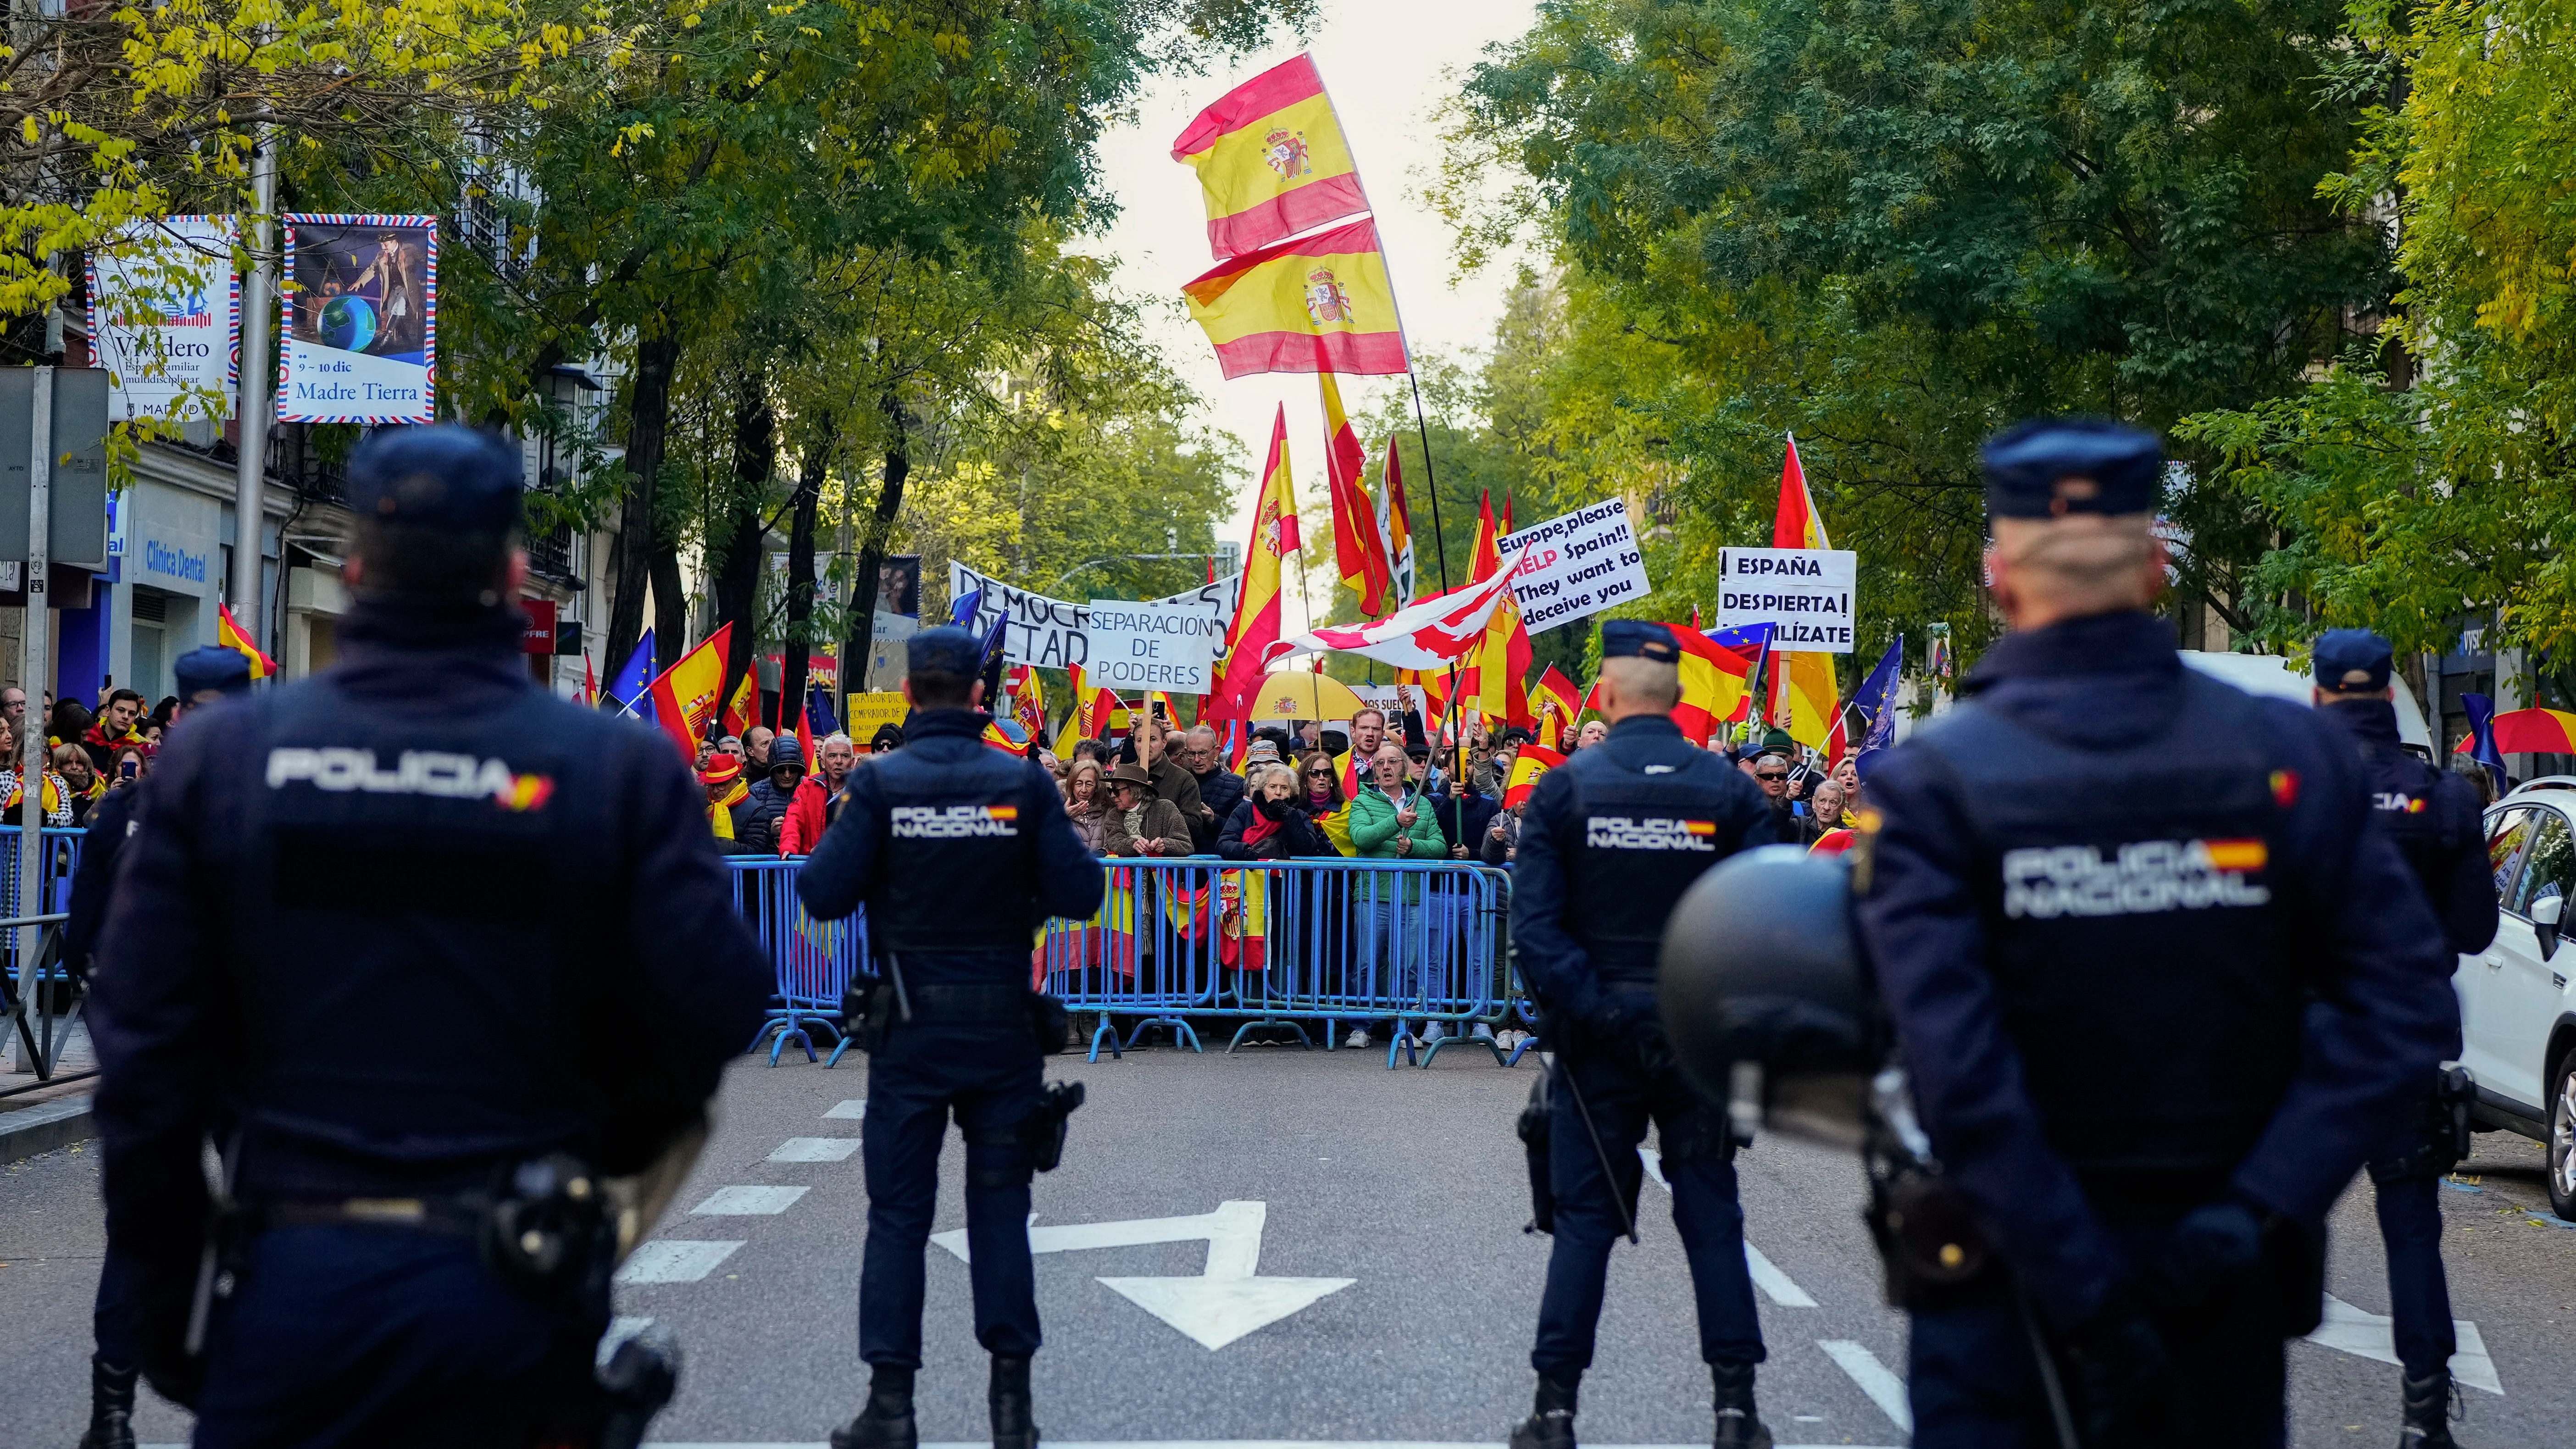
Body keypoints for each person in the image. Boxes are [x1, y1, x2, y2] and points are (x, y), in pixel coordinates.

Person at [89, 424, 772, 1447]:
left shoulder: (226, 759)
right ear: (509, 570)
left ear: (357, 566)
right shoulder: (611, 769)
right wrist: (591, 1151)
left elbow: (144, 1064)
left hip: (290, 1286)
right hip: (509, 1291)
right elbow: (710, 1010)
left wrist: (165, 1303)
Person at [1853, 420, 2456, 1448]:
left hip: (2009, 1307)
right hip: (2218, 1299)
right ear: (2156, 567)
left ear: (2001, 576)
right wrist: (2252, 1215)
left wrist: (2085, 1293)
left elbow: (1959, 1073)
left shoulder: (1930, 787)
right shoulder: (2289, 753)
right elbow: (2405, 1005)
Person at [794, 625, 1104, 1449]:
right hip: (1001, 1029)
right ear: (979, 696)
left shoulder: (882, 784)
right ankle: (1013, 1414)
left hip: (910, 1032)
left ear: (907, 695)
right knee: (1001, 1210)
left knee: (897, 1216)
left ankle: (890, 1408)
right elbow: (1082, 892)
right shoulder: (1021, 783)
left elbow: (821, 892)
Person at [1506, 620, 1781, 1449]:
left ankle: (1554, 1413)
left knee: (1585, 1219)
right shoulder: (1732, 793)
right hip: (1698, 1038)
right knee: (1710, 1213)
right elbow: (1763, 923)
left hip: (1598, 1043)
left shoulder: (1562, 790)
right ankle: (1737, 1413)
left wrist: (1605, 1014)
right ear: (1678, 695)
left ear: (1609, 695)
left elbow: (1537, 931)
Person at [2312, 628, 2497, 1447]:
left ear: (2319, 696)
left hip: (2307, 1051)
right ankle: (2425, 1416)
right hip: (2402, 1045)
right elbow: (2475, 928)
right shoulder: (2442, 797)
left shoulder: (2286, 791)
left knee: (2268, 1222)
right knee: (2412, 1227)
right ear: (2390, 694)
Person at [64, 645, 252, 1449]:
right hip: (251, 1050)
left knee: (138, 1229)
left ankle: (112, 1414)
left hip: (156, 1049)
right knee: (275, 1217)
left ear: (175, 707)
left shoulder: (132, 802)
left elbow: (80, 936)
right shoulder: (280, 797)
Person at [1349, 743, 1447, 1047]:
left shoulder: (1424, 804)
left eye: (1393, 762)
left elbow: (1440, 846)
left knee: (1409, 965)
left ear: (1404, 768)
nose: (1387, 767)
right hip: (1373, 895)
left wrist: (1413, 848)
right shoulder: (1362, 801)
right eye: (1381, 763)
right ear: (1374, 770)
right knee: (1367, 963)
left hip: (1412, 898)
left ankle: (1402, 1027)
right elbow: (1361, 838)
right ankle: (1361, 1026)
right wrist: (1396, 822)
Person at [1218, 761, 1329, 860]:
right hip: (1249, 878)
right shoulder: (1245, 810)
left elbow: (1308, 848)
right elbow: (1224, 843)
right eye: (1272, 787)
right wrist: (1245, 851)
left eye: (1284, 788)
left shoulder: (1299, 815)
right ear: (1263, 789)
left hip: (1286, 880)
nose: (1278, 792)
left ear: (1292, 792)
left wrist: (1290, 816)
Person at [781, 733, 859, 856]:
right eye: (832, 756)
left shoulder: (861, 790)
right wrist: (788, 850)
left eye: (845, 756)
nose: (838, 761)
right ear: (823, 762)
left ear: (853, 761)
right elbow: (793, 821)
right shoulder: (808, 786)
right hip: (810, 863)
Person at [1105, 762, 1193, 858]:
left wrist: (1165, 845)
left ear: (1135, 790)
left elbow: (1186, 845)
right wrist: (1134, 845)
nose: (1113, 795)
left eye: (1117, 791)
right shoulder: (1114, 814)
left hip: (1162, 872)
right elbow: (1114, 842)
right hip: (1127, 872)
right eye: (1111, 791)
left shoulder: (1166, 808)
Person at [738, 734, 805, 854]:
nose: (787, 775)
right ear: (772, 769)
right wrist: (769, 832)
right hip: (768, 865)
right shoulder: (756, 792)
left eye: (793, 770)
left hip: (803, 863)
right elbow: (747, 838)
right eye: (781, 770)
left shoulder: (811, 788)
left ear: (800, 770)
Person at [1183, 724, 1243, 852]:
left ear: (1216, 751)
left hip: (1218, 862)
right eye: (1192, 753)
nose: (1197, 759)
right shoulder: (1179, 780)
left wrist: (1214, 820)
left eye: (1203, 753)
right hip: (1183, 861)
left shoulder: (1236, 784)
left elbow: (1241, 829)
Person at [700, 753, 761, 852]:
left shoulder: (756, 811)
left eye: (721, 784)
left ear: (736, 780)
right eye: (711, 785)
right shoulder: (702, 806)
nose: (715, 791)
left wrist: (717, 845)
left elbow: (756, 851)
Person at [1299, 750, 1354, 856]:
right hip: (1304, 871)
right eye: (1314, 773)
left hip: (1339, 871)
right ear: (1305, 778)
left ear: (1332, 778)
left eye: (1327, 773)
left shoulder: (1348, 809)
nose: (1322, 778)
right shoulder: (1296, 809)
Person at [81, 689, 147, 774]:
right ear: (108, 711)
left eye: (131, 714)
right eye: (121, 710)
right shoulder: (87, 736)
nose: (126, 717)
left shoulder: (142, 746)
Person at [1061, 757, 1112, 855]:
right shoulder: (1058, 809)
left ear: (1097, 787)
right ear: (1071, 785)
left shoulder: (1108, 811)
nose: (1084, 790)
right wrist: (1064, 818)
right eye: (1079, 784)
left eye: (1089, 784)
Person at [52, 743, 103, 822]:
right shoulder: (51, 787)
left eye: (79, 763)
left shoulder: (99, 786)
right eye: (68, 763)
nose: (75, 767)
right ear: (58, 765)